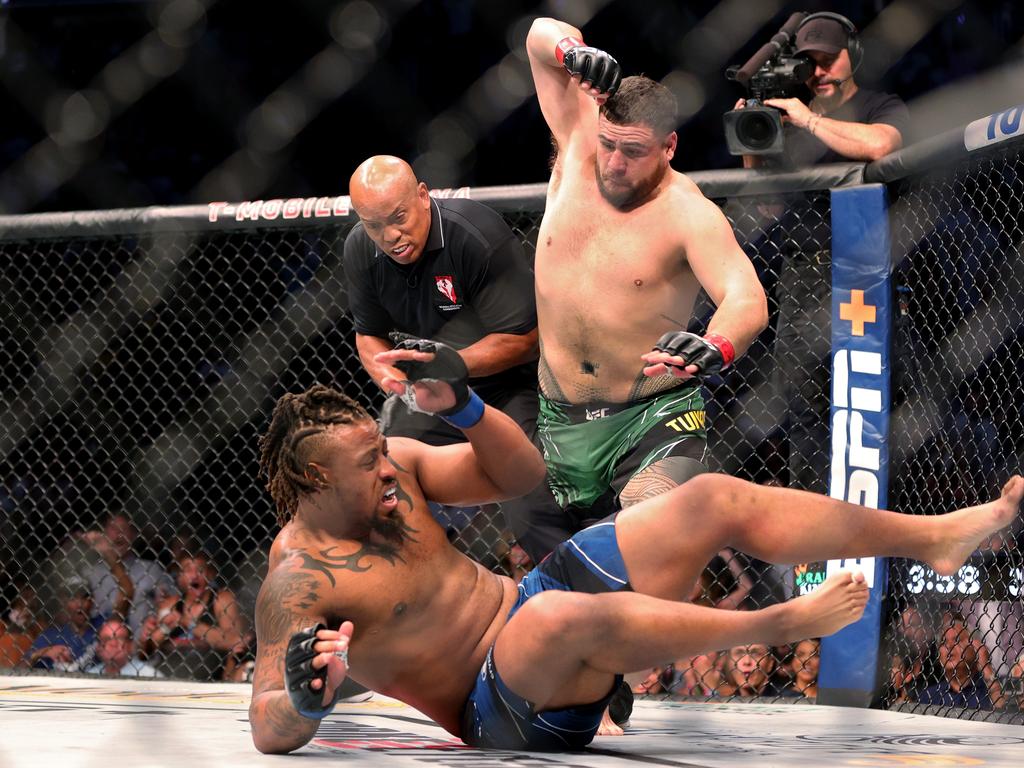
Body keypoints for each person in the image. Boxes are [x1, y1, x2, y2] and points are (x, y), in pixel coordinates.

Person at [245, 337, 1021, 753]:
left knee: (708, 498)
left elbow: (519, 472)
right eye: (366, 464)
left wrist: (466, 405)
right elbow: (266, 723)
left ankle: (935, 538)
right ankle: (775, 625)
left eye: (383, 452)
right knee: (549, 624)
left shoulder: (402, 471)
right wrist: (307, 701)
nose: (388, 465)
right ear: (314, 479)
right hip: (502, 704)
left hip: (534, 600)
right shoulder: (300, 580)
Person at [524, 18, 769, 524]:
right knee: (562, 581)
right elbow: (536, 35)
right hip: (556, 418)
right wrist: (572, 51)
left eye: (633, 151)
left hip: (653, 417)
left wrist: (716, 344)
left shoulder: (688, 212)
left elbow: (746, 299)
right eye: (609, 144)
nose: (613, 163)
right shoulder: (575, 144)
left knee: (647, 529)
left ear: (668, 147)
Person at [343, 155, 564, 561]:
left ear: (423, 196)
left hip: (508, 385)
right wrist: (392, 380)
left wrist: (453, 365)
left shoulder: (474, 236)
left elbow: (525, 339)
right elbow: (367, 334)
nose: (391, 235)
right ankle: (417, 590)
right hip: (430, 390)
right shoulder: (360, 249)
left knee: (530, 498)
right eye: (374, 225)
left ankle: (584, 597)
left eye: (399, 217)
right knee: (381, 477)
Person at [735, 12, 910, 493]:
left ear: (851, 56)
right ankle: (812, 519)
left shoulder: (878, 103)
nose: (819, 73)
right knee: (802, 405)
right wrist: (757, 118)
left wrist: (810, 119)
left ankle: (878, 508)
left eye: (828, 60)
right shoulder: (792, 115)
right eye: (809, 63)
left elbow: (882, 145)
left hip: (866, 271)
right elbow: (759, 178)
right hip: (803, 274)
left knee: (875, 394)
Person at [85, 511, 175, 636]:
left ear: (134, 534)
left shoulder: (151, 569)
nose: (119, 534)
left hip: (141, 645)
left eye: (124, 529)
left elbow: (172, 602)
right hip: (99, 646)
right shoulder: (92, 573)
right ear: (104, 533)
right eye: (114, 528)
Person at [85, 618, 163, 678]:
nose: (113, 643)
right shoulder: (91, 675)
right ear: (98, 647)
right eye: (106, 639)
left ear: (130, 645)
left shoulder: (149, 675)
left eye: (120, 638)